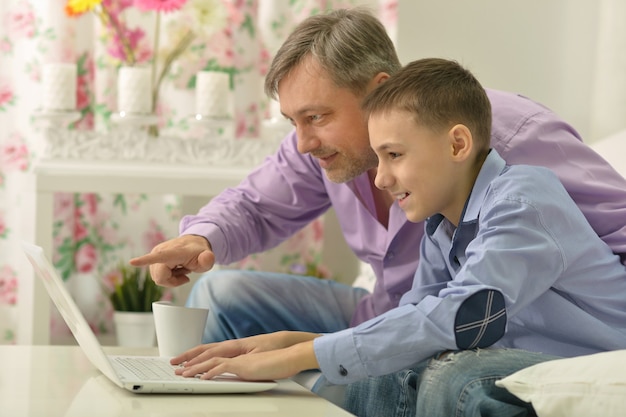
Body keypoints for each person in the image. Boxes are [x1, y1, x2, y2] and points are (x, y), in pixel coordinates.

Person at [130, 7, 626, 413]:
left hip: (497, 330)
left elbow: (462, 314)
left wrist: (305, 353)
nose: (302, 142)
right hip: (396, 320)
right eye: (292, 121)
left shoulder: (516, 162)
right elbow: (258, 203)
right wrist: (205, 241)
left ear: (376, 90)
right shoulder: (434, 222)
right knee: (227, 297)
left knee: (447, 377)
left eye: (316, 117)